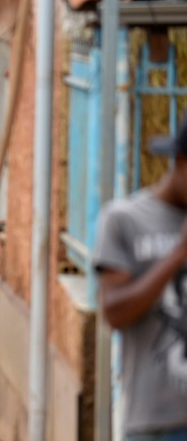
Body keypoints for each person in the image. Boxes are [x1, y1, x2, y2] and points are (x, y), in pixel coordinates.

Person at [95, 118, 187, 440]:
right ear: (179, 162)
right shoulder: (125, 220)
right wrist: (178, 255)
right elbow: (114, 312)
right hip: (154, 426)